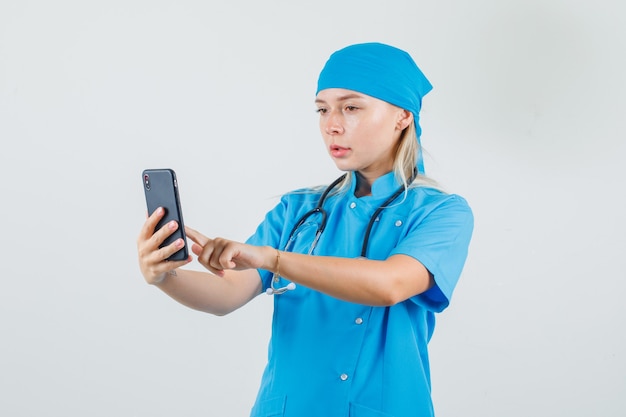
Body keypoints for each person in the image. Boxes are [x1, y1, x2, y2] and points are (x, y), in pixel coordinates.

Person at [137, 42, 474, 417]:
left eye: (351, 107)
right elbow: (228, 293)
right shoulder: (299, 209)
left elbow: (389, 284)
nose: (332, 124)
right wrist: (165, 276)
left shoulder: (442, 213)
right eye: (322, 109)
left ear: (402, 117)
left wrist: (275, 260)